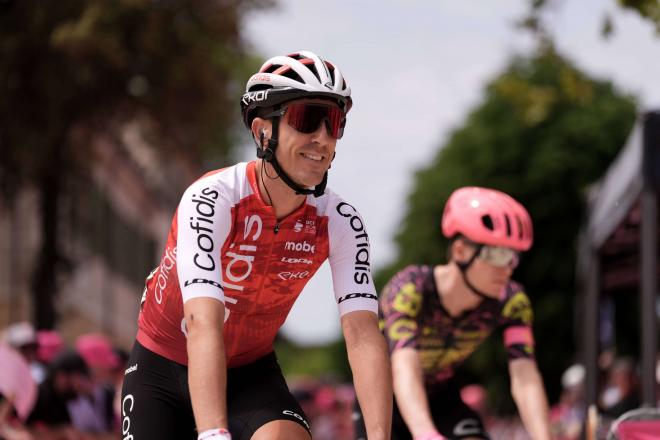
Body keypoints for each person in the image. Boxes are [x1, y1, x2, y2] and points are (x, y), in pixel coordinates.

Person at [121, 50, 392, 440]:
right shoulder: (213, 198)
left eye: (333, 123)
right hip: (163, 366)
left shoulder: (340, 219)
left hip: (250, 371)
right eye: (307, 119)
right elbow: (202, 322)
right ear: (263, 131)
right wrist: (214, 433)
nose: (322, 138)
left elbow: (363, 335)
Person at [355, 187, 552, 440]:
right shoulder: (410, 288)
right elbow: (404, 364)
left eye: (513, 257)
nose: (507, 269)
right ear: (460, 252)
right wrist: (425, 433)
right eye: (496, 254)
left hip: (442, 396)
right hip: (384, 395)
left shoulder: (511, 301)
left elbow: (525, 376)